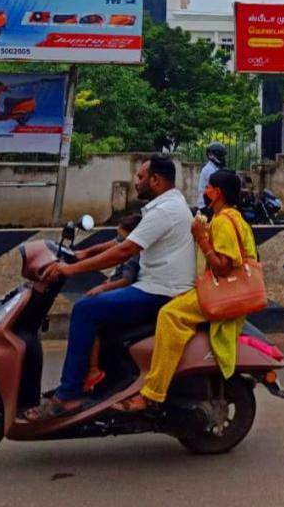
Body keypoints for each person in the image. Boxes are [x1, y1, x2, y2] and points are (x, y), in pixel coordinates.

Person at [24, 155, 195, 420]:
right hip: (155, 285)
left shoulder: (166, 211)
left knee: (84, 309)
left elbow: (124, 251)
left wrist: (69, 269)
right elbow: (120, 242)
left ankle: (68, 397)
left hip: (160, 291)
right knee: (96, 309)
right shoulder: (167, 205)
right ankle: (98, 381)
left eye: (141, 177)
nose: (136, 182)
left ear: (156, 180)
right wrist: (81, 255)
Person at [113, 168, 256, 412]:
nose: (205, 190)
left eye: (208, 187)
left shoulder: (224, 221)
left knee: (170, 315)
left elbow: (223, 267)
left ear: (217, 193)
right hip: (221, 288)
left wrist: (201, 237)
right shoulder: (231, 218)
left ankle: (152, 394)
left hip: (222, 291)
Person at [76, 214, 143, 393]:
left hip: (127, 295)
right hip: (120, 292)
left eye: (122, 238)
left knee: (88, 317)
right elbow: (111, 247)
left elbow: (126, 280)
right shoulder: (127, 247)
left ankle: (92, 371)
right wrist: (85, 253)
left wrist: (104, 288)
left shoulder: (132, 254)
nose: (118, 241)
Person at [195, 142, 227, 208]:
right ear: (212, 155)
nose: (223, 158)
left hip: (211, 203)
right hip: (206, 206)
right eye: (221, 155)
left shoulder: (215, 168)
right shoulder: (209, 170)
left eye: (223, 156)